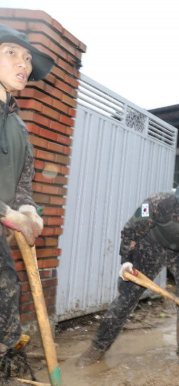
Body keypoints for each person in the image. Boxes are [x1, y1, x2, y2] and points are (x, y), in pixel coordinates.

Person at [76, 178, 179, 367]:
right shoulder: (159, 203)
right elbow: (131, 231)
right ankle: (97, 347)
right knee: (126, 298)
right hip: (150, 247)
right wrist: (127, 261)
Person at [0, 25, 53, 365]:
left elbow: (24, 181)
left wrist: (28, 209)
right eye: (11, 52)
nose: (24, 63)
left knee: (8, 291)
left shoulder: (17, 125)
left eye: (28, 57)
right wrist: (8, 213)